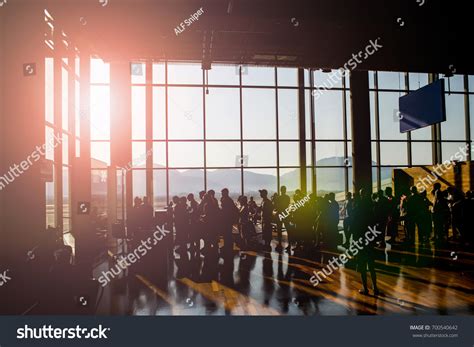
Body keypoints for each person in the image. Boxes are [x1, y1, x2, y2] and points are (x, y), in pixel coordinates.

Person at [353, 188, 379, 296]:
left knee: (362, 265)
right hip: (369, 239)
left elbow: (355, 226)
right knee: (371, 265)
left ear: (360, 194)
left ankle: (365, 288)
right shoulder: (371, 207)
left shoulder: (358, 208)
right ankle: (375, 287)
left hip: (361, 239)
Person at [220, 188, 238, 254]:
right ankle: (228, 246)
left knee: (227, 233)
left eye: (222, 193)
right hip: (227, 219)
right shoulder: (228, 200)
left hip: (227, 219)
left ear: (226, 193)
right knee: (227, 233)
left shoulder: (227, 200)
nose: (222, 194)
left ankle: (228, 246)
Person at [275, 186, 291, 252]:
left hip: (280, 214)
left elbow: (277, 206)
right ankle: (289, 244)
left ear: (281, 190)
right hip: (286, 214)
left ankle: (279, 243)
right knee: (288, 230)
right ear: (285, 190)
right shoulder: (287, 197)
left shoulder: (278, 198)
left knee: (279, 229)